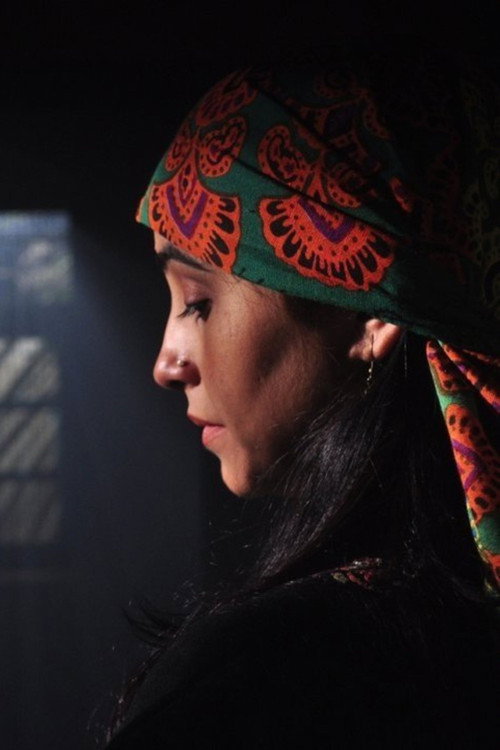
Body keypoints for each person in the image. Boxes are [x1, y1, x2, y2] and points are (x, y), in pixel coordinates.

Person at [106, 38, 499, 748]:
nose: (167, 363)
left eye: (198, 300)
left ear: (370, 313)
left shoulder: (265, 676)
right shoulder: (463, 632)